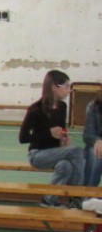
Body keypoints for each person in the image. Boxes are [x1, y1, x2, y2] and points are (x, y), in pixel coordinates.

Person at [18, 69, 85, 206]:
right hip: (37, 155)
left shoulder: (62, 107)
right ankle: (77, 197)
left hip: (56, 152)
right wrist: (49, 133)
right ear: (54, 87)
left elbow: (61, 130)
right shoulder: (35, 109)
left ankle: (48, 200)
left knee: (65, 166)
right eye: (66, 87)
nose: (69, 91)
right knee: (77, 151)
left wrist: (63, 138)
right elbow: (22, 138)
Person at [84, 85, 102, 188]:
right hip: (98, 147)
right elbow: (88, 134)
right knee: (94, 153)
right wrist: (97, 141)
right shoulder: (93, 106)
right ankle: (88, 192)